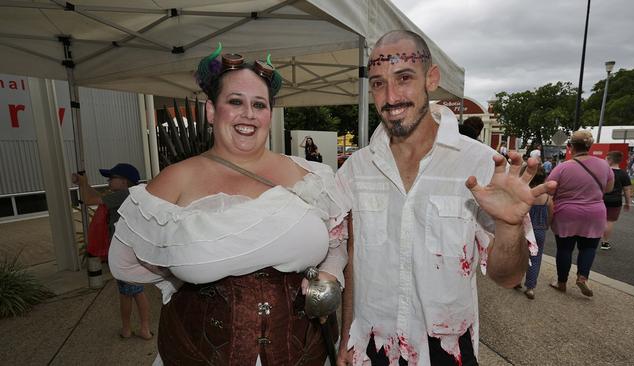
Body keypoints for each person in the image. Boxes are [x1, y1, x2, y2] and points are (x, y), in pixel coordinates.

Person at [108, 47, 350, 365]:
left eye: (259, 104)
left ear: (269, 114)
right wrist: (181, 272)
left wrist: (330, 276)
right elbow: (124, 262)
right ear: (211, 110)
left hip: (303, 351)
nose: (248, 113)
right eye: (235, 101)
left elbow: (337, 241)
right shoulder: (176, 179)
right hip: (199, 351)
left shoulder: (311, 175)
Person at [335, 30, 555, 366]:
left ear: (431, 79)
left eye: (404, 78)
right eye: (378, 83)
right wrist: (345, 337)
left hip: (446, 351)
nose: (391, 96)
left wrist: (510, 226)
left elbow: (508, 277)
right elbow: (353, 265)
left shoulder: (481, 165)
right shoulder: (355, 169)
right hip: (372, 346)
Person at [72, 163, 152, 340]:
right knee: (137, 290)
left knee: (127, 293)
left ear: (124, 181)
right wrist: (85, 184)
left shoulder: (124, 195)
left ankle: (128, 329)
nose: (108, 180)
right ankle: (144, 328)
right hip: (134, 250)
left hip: (124, 252)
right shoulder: (128, 194)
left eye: (112, 178)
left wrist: (83, 183)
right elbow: (96, 196)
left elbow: (88, 200)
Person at [547, 130, 614, 297]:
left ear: (570, 147)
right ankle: (583, 277)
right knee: (589, 248)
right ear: (590, 146)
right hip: (595, 212)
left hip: (566, 213)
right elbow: (609, 188)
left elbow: (549, 190)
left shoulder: (562, 168)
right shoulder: (604, 165)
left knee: (564, 249)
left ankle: (561, 282)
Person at [520, 165, 553, 299]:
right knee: (535, 258)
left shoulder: (524, 194)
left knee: (520, 256)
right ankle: (530, 287)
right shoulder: (546, 197)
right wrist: (547, 225)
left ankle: (516, 280)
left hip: (523, 230)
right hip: (539, 230)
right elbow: (551, 212)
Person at [601, 151, 632, 250]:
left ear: (610, 160)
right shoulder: (623, 174)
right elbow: (627, 190)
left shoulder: (603, 172)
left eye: (606, 159)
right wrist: (628, 203)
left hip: (601, 199)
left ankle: (591, 237)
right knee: (609, 221)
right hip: (615, 201)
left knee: (597, 219)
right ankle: (605, 242)